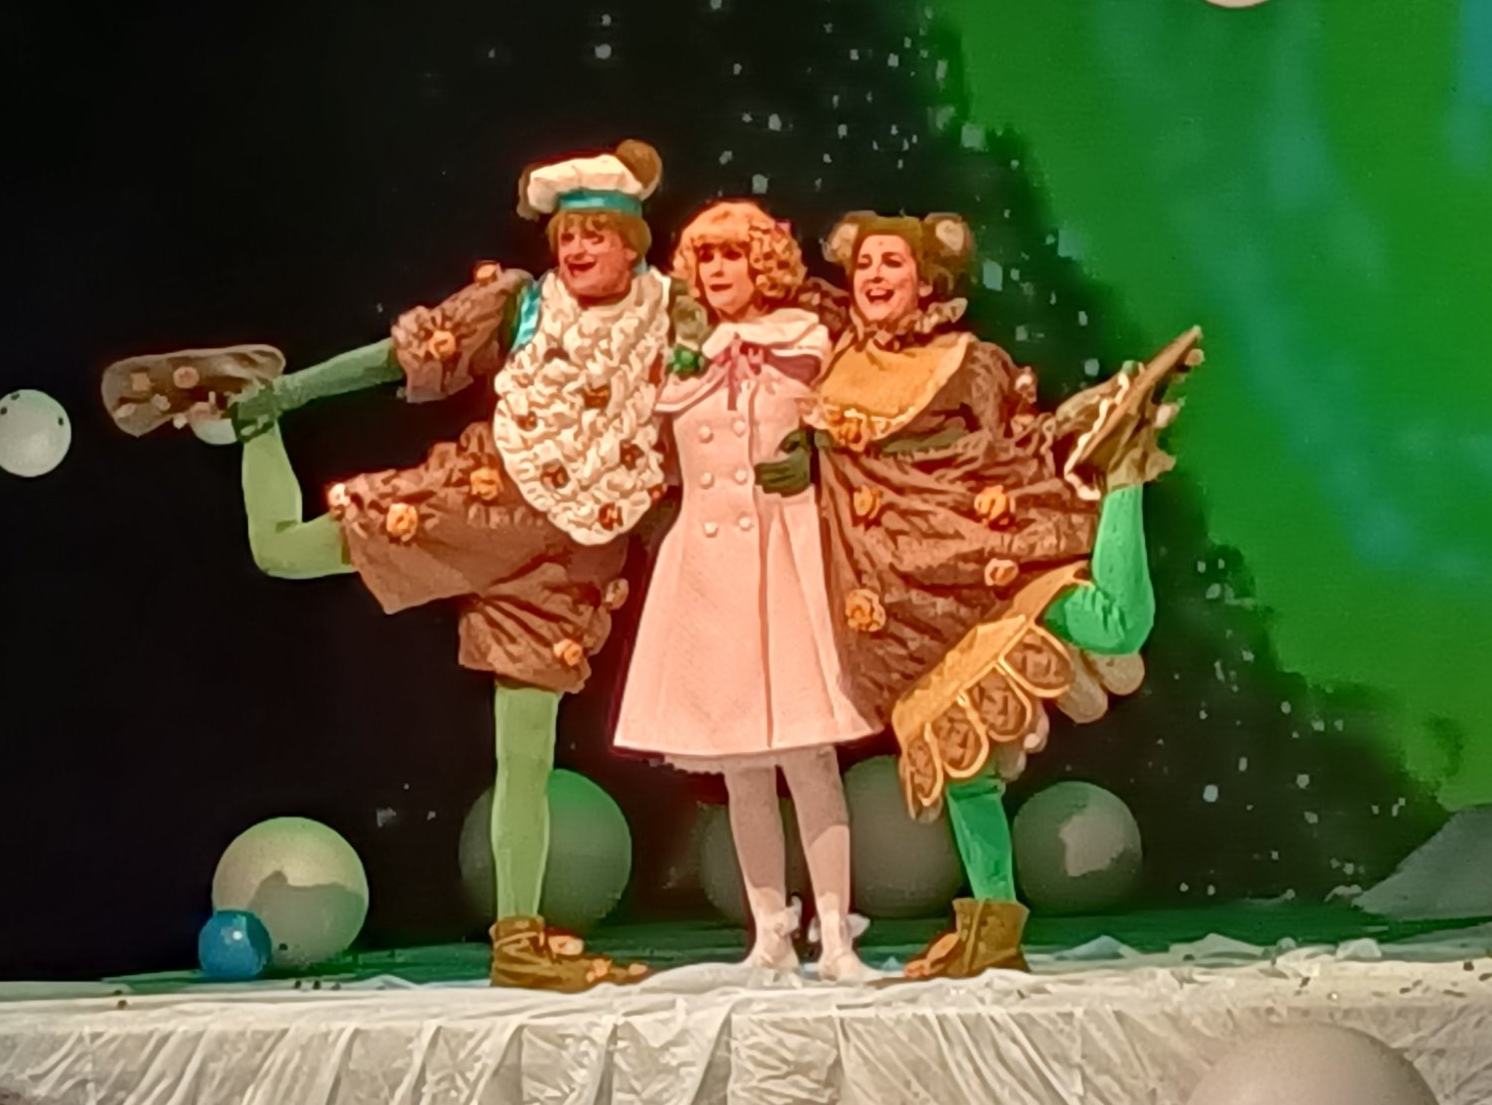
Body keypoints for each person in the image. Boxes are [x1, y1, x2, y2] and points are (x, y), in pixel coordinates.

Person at [100, 139, 706, 992]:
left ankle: (518, 939)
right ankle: (251, 411)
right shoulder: (522, 303)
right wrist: (290, 393)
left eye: (594, 234)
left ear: (632, 241)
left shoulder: (676, 317)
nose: (576, 249)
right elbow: (403, 357)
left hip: (570, 563)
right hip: (478, 507)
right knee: (281, 551)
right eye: (566, 234)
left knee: (526, 757)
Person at [758, 210, 1199, 979]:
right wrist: (801, 454)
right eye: (866, 264)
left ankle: (1127, 472)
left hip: (980, 551)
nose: (875, 276)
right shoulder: (835, 363)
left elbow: (1012, 441)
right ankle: (992, 927)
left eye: (893, 263)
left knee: (1115, 627)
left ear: (926, 280)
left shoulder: (965, 360)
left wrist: (1090, 427)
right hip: (901, 592)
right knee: (962, 764)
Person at [614, 201, 883, 982]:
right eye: (706, 258)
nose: (718, 270)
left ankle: (836, 938)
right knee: (740, 764)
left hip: (785, 555)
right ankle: (770, 935)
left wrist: (816, 457)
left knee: (809, 753)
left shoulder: (805, 343)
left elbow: (854, 435)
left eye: (732, 255)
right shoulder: (680, 362)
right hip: (710, 568)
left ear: (760, 263)